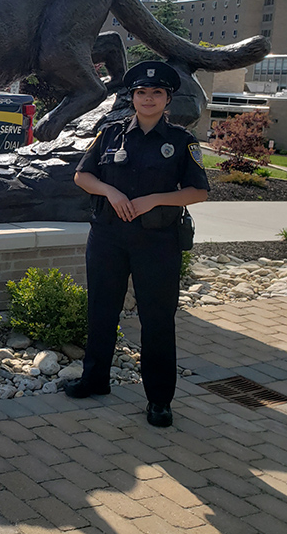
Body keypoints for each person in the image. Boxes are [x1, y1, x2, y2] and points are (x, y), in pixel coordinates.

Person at [64, 60, 209, 427]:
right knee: (101, 310)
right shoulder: (110, 133)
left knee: (157, 319)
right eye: (141, 93)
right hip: (108, 237)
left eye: (156, 93)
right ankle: (95, 379)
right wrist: (110, 191)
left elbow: (199, 192)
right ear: (132, 97)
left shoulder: (181, 142)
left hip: (157, 242)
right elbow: (83, 175)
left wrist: (154, 199)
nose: (148, 98)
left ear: (167, 99)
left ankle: (159, 400)